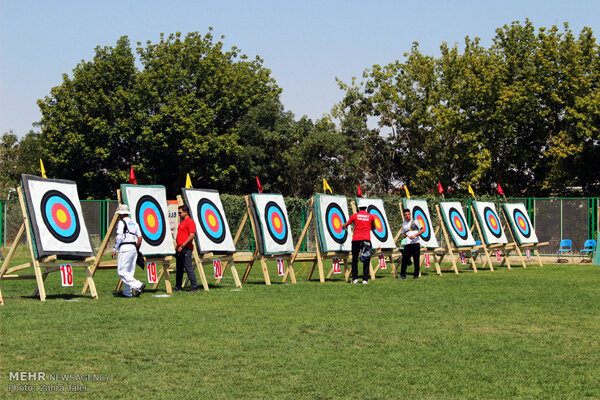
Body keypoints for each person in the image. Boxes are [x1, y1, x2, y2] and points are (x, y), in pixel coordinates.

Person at [112, 204, 145, 297]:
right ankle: (127, 293)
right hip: (133, 248)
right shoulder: (134, 223)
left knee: (122, 272)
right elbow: (140, 237)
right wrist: (136, 249)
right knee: (129, 272)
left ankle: (138, 285)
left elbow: (119, 236)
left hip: (125, 248)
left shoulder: (121, 222)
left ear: (121, 214)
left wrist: (115, 249)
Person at [341, 200, 375, 284]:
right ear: (366, 207)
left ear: (359, 207)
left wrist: (342, 226)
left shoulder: (355, 215)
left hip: (356, 239)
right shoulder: (370, 216)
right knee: (366, 259)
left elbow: (345, 225)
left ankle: (355, 279)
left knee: (355, 259)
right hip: (366, 240)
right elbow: (374, 227)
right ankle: (365, 280)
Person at [173, 205, 199, 293]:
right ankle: (178, 286)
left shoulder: (190, 222)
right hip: (180, 248)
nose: (179, 214)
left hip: (186, 248)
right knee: (179, 268)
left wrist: (183, 245)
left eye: (180, 212)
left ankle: (194, 287)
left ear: (186, 212)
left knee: (188, 268)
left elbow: (192, 235)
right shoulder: (182, 222)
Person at [400, 208, 425, 279]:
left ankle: (416, 275)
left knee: (416, 260)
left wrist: (415, 235)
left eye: (408, 214)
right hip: (408, 244)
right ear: (404, 216)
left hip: (416, 243)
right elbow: (403, 233)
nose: (407, 216)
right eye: (405, 215)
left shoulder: (415, 221)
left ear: (410, 214)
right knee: (404, 259)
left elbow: (422, 230)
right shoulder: (404, 224)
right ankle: (403, 275)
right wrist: (406, 236)